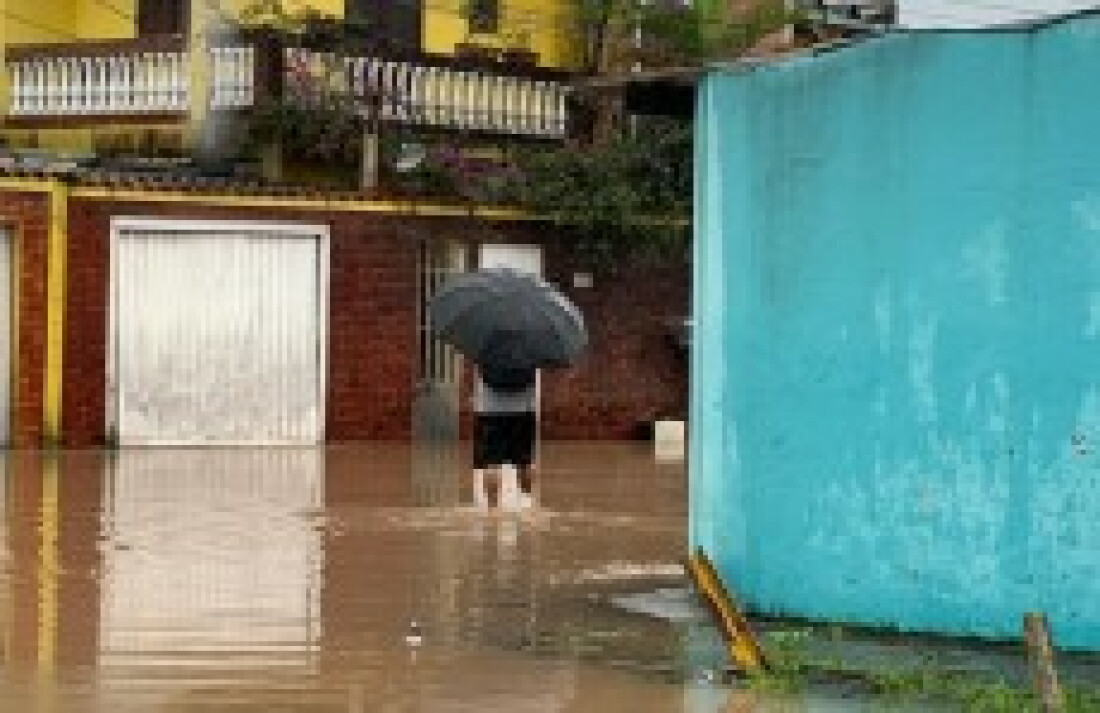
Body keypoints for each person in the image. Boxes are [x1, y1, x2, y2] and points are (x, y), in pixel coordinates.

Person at [472, 365, 538, 512]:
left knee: (491, 463)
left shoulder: (484, 345)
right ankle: (527, 505)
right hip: (524, 410)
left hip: (490, 410)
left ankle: (493, 510)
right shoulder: (531, 346)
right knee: (525, 461)